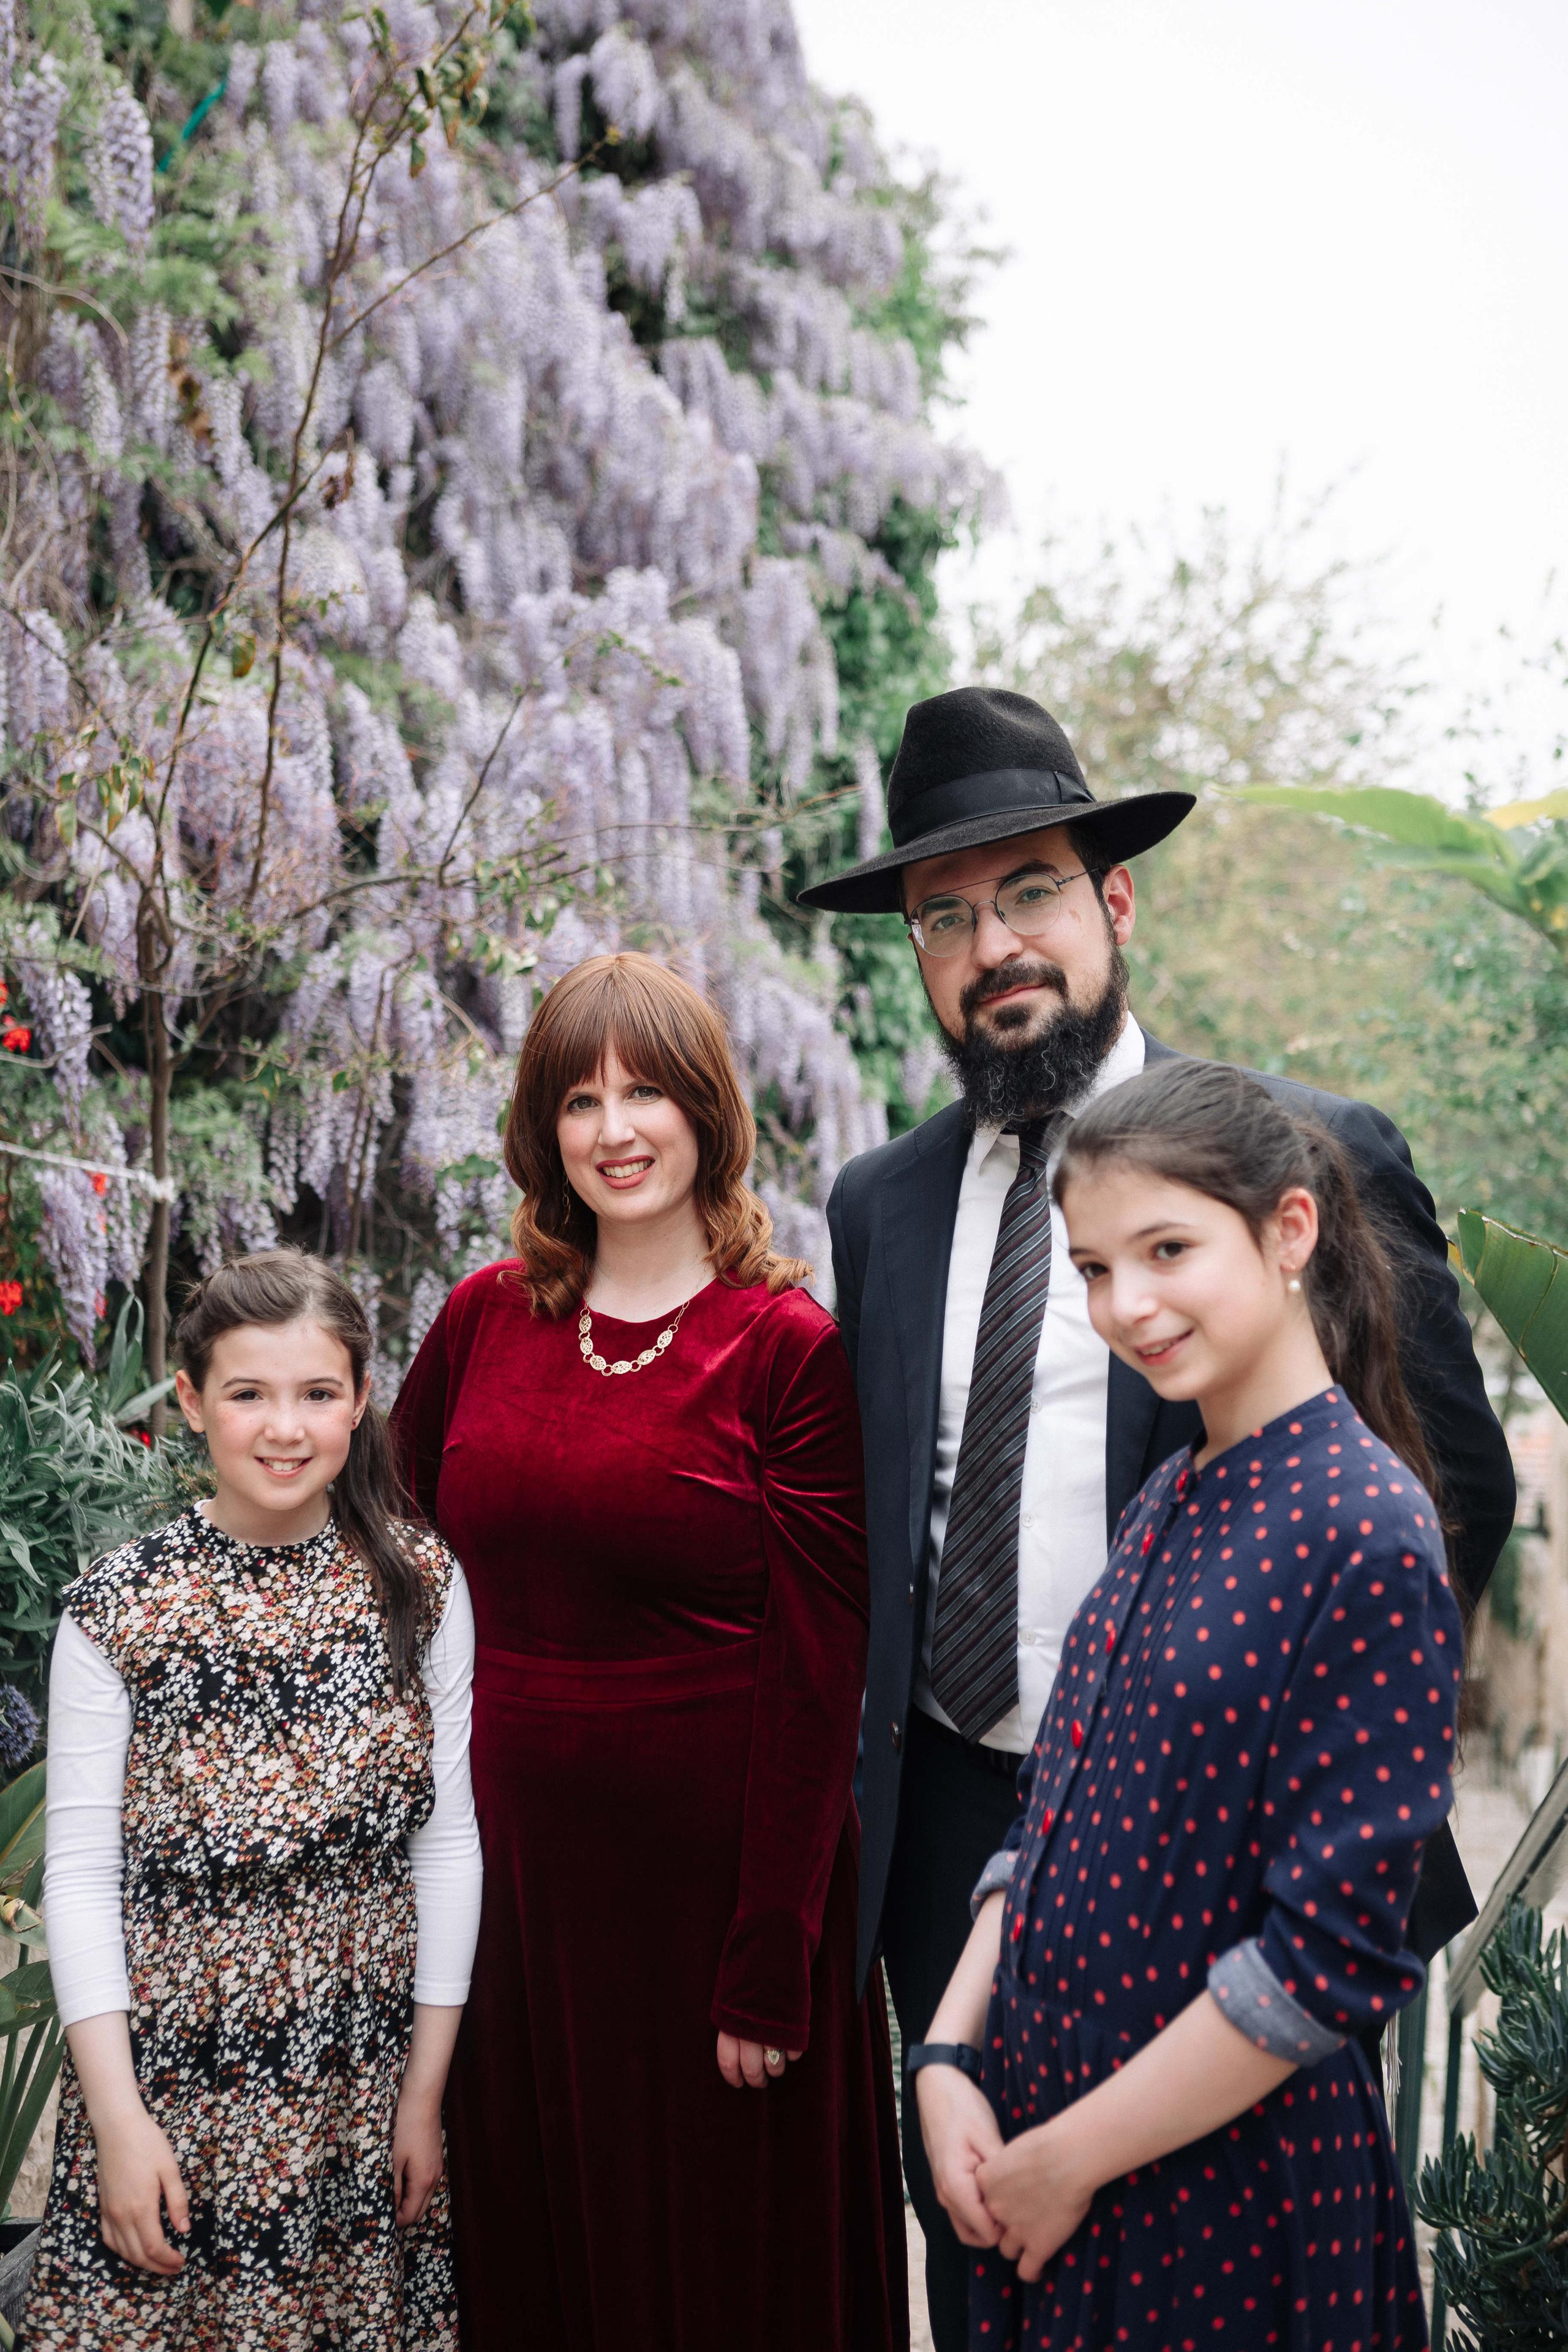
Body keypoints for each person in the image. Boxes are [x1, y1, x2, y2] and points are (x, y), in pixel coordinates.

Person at [796, 684, 1515, 2350]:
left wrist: (1323, 1768)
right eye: (947, 914)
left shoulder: (1300, 1158)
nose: (995, 944)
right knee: (988, 2266)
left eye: (1031, 890)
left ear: (1116, 900)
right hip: (964, 1850)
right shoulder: (880, 1202)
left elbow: (1448, 1485)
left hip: (1245, 1862)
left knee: (1220, 2270)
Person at [391, 952, 907, 2352]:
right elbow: (391, 1556)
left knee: (716, 2277)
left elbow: (819, 1677)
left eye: (645, 1092)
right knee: (543, 2261)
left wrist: (769, 1958)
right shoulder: (482, 1317)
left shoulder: (782, 1349)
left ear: (707, 1110)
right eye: (577, 1098)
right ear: (542, 1131)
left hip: (709, 1903)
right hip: (520, 1896)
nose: (613, 1129)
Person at [911, 1057, 1460, 2348]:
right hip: (1063, 2153)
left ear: (1287, 1231)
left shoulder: (1365, 1531)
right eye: (1093, 1268)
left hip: (1221, 2206)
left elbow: (1320, 1965)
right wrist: (943, 2052)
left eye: (1165, 1249)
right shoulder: (1178, 1489)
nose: (1127, 1305)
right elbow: (1053, 1807)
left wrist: (1069, 2161)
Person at [25, 1250, 480, 2351]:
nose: (286, 1428)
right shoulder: (121, 1608)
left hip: (354, 2083)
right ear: (190, 1403)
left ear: (362, 1400)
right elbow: (80, 1873)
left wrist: (423, 2095)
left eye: (319, 1394)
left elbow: (448, 1843)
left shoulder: (417, 1586)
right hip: (176, 2076)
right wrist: (119, 2121)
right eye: (248, 1394)